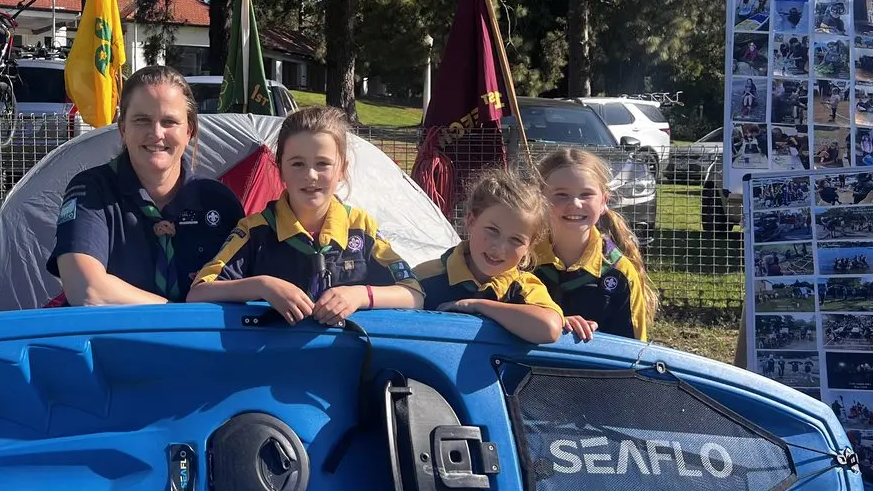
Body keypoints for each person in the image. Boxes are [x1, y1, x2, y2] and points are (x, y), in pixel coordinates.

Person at [189, 106, 423, 324]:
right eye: (297, 164)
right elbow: (198, 293)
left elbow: (413, 294)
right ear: (280, 168)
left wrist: (360, 295)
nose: (310, 175)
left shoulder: (361, 228)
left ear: (342, 169)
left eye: (323, 164)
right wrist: (263, 286)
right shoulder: (255, 231)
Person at [48, 65, 245, 305]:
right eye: (142, 120)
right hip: (113, 342)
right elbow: (87, 290)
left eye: (169, 121)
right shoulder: (91, 190)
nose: (156, 133)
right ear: (123, 129)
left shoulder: (219, 202)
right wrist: (176, 317)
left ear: (189, 131)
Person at [411, 169, 564, 343]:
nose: (499, 248)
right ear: (471, 221)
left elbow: (549, 329)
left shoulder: (525, 288)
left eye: (516, 240)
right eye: (492, 231)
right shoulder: (424, 276)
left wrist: (477, 306)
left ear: (530, 247)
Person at [531, 149, 658, 342]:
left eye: (586, 194)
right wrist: (553, 323)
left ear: (604, 202)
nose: (574, 203)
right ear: (540, 199)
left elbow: (631, 354)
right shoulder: (522, 258)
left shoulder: (620, 272)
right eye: (561, 194)